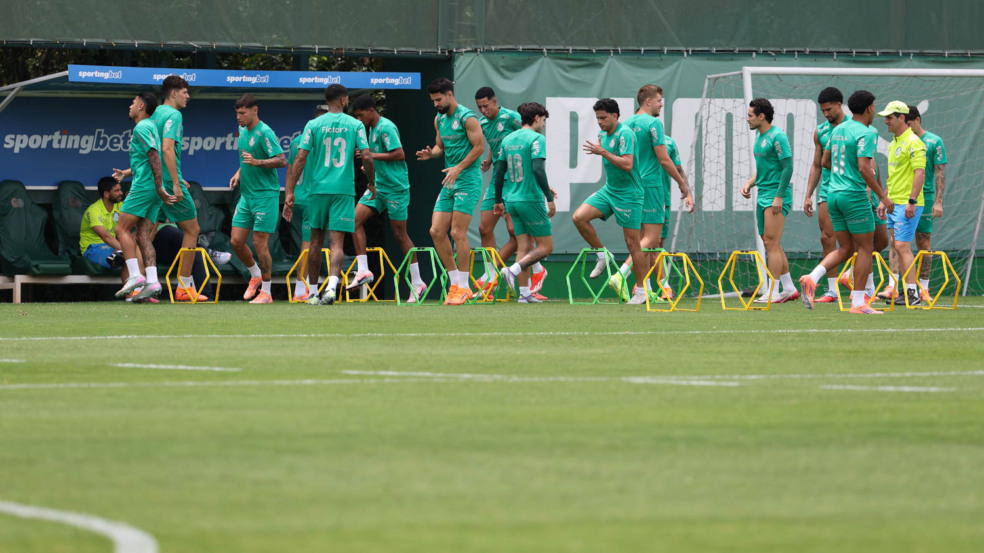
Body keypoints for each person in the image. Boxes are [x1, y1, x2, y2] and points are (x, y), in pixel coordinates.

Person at [799, 90, 893, 314]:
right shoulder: (867, 132)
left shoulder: (838, 130)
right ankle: (859, 302)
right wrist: (883, 196)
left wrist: (842, 173)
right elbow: (864, 168)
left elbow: (825, 161)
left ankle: (812, 278)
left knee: (847, 248)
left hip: (833, 195)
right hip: (854, 195)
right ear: (870, 107)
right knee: (865, 247)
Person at [285, 84, 375, 306]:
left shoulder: (314, 124)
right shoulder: (355, 124)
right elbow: (367, 156)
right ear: (344, 100)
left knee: (315, 242)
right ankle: (332, 288)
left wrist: (290, 191)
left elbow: (299, 158)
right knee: (337, 242)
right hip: (343, 190)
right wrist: (372, 183)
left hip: (317, 190)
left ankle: (313, 293)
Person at [609, 85, 694, 302]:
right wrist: (683, 186)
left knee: (642, 242)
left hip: (631, 186)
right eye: (659, 101)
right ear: (647, 101)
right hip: (653, 186)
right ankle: (621, 273)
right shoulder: (654, 123)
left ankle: (642, 290)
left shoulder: (624, 125)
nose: (661, 104)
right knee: (653, 240)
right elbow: (664, 159)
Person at [347, 94, 428, 302]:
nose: (359, 119)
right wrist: (370, 168)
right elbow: (378, 156)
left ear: (371, 110)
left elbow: (399, 154)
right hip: (378, 188)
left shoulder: (386, 127)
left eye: (360, 114)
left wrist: (370, 156)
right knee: (353, 221)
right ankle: (363, 270)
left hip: (396, 188)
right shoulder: (370, 129)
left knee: (400, 235)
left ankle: (418, 282)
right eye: (356, 116)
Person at [571, 98, 649, 304]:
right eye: (597, 118)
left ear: (615, 116)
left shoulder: (626, 134)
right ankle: (603, 255)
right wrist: (602, 149)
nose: (600, 122)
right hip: (610, 190)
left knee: (633, 244)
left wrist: (603, 152)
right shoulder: (601, 134)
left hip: (630, 194)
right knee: (579, 217)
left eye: (603, 117)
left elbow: (628, 164)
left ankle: (641, 291)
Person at [415, 78, 485, 306]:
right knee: (436, 231)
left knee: (457, 233)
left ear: (450, 95)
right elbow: (440, 147)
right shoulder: (439, 119)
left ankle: (464, 287)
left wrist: (459, 167)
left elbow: (479, 147)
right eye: (433, 101)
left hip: (467, 180)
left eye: (438, 99)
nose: (435, 104)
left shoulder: (468, 118)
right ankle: (456, 282)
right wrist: (432, 154)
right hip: (449, 181)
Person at [112, 92, 174, 301]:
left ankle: (136, 276)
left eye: (132, 102)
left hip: (145, 188)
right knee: (143, 236)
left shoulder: (142, 127)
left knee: (121, 228)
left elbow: (154, 156)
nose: (129, 106)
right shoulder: (152, 128)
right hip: (152, 188)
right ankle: (153, 280)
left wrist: (157, 186)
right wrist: (126, 173)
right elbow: (148, 160)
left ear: (140, 106)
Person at [474, 87, 535, 294]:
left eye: (485, 105)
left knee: (514, 232)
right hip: (497, 179)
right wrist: (490, 160)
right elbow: (496, 143)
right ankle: (491, 273)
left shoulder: (512, 117)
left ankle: (534, 273)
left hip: (515, 179)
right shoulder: (482, 123)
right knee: (484, 228)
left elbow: (529, 137)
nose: (483, 110)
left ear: (495, 101)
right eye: (479, 107)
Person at [492, 102, 555, 303]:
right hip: (530, 198)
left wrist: (498, 199)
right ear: (536, 118)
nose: (543, 125)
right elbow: (538, 169)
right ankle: (513, 270)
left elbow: (499, 172)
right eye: (543, 120)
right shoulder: (537, 138)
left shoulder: (508, 139)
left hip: (512, 200)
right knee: (546, 247)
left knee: (524, 246)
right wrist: (550, 198)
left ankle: (524, 293)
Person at [228, 93, 287, 304]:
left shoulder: (265, 133)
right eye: (237, 113)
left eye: (242, 113)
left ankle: (267, 293)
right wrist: (239, 173)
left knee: (260, 244)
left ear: (255, 110)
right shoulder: (242, 131)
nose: (239, 117)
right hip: (246, 196)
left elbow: (282, 161)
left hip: (265, 196)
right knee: (235, 241)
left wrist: (258, 163)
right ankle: (255, 275)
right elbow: (246, 158)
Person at [740, 98, 798, 304]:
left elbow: (788, 168)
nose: (747, 119)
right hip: (763, 194)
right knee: (769, 242)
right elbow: (764, 169)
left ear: (761, 116)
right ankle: (789, 288)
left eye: (750, 115)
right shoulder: (759, 136)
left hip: (776, 196)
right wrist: (749, 183)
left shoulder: (778, 136)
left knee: (771, 243)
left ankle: (773, 292)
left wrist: (779, 196)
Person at [151, 75, 202, 302]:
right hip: (169, 184)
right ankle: (183, 287)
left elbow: (151, 153)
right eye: (185, 91)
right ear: (173, 93)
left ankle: (141, 284)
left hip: (151, 182)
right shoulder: (174, 115)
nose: (188, 96)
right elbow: (167, 149)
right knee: (192, 231)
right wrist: (175, 182)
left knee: (147, 234)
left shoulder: (153, 115)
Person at [878, 101, 927, 306]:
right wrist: (884, 199)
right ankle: (905, 292)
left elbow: (920, 173)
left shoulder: (914, 142)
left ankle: (913, 294)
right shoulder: (894, 143)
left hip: (908, 203)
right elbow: (893, 175)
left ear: (901, 118)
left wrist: (912, 201)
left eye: (890, 117)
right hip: (893, 203)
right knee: (896, 246)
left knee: (902, 246)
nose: (886, 121)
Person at [804, 87, 849, 303]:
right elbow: (816, 165)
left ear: (840, 105)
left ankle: (862, 285)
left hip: (852, 189)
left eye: (829, 109)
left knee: (864, 242)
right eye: (823, 111)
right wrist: (808, 195)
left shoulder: (854, 128)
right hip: (828, 190)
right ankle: (832, 290)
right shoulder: (820, 131)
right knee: (826, 238)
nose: (826, 114)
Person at [285, 104, 329, 302]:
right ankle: (300, 290)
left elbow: (289, 171)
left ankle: (301, 288)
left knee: (307, 244)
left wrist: (289, 195)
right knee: (309, 245)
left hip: (299, 198)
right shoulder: (322, 140)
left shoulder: (296, 141)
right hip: (313, 199)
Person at [906, 104, 947, 301]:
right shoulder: (901, 140)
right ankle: (900, 287)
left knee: (923, 241)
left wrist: (938, 202)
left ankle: (924, 288)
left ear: (918, 120)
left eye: (909, 123)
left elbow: (940, 172)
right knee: (899, 243)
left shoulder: (934, 141)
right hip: (902, 197)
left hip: (926, 197)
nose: (906, 127)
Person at [80, 177, 130, 279]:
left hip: (113, 246)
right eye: (117, 191)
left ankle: (134, 292)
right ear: (106, 194)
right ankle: (130, 294)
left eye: (120, 189)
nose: (121, 193)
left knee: (131, 255)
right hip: (93, 248)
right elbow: (105, 236)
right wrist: (126, 249)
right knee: (125, 257)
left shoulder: (121, 206)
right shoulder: (94, 210)